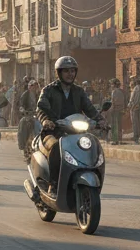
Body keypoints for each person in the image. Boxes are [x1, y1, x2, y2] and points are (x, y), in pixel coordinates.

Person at [36, 57, 101, 185]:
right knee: (55, 148)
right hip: (53, 131)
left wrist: (100, 120)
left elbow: (90, 109)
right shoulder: (48, 90)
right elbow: (41, 108)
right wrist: (46, 121)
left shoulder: (79, 91)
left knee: (92, 145)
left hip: (75, 132)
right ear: (59, 73)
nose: (70, 74)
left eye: (72, 71)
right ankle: (53, 184)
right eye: (66, 71)